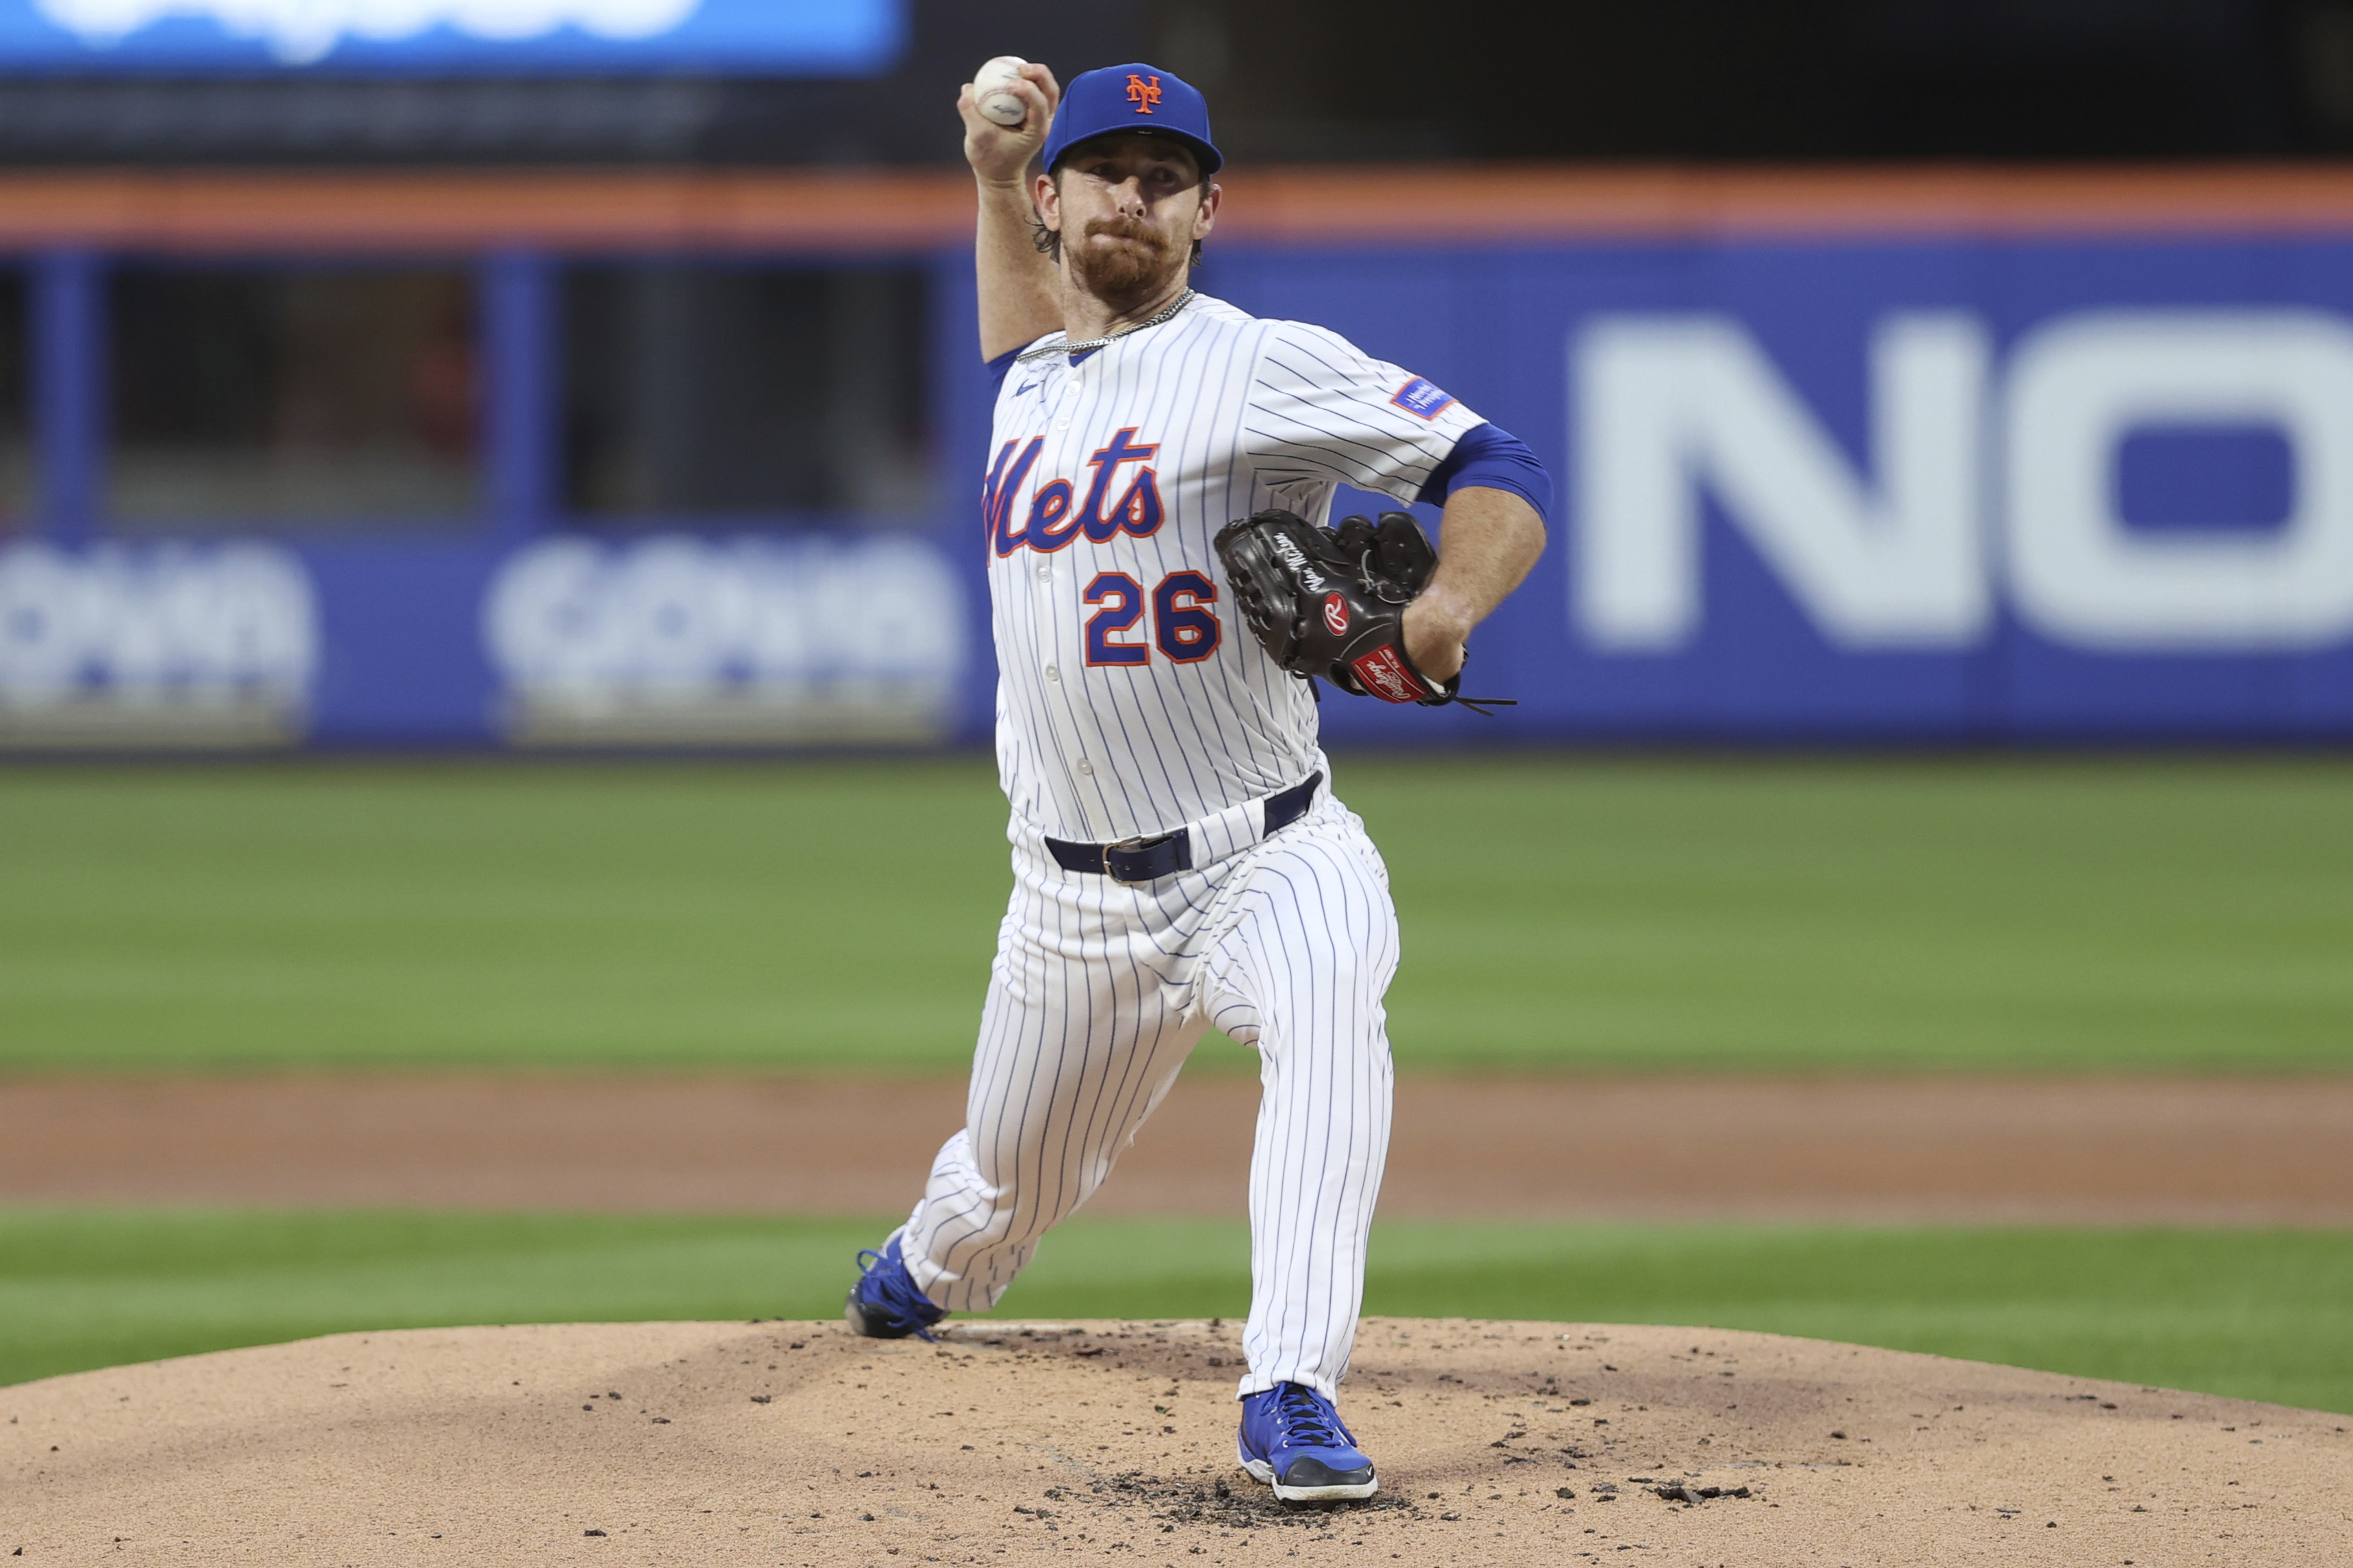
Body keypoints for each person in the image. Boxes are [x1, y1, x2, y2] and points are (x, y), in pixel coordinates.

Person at [844, 60, 1548, 1505]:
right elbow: (1026, 332)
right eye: (1105, 170)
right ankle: (927, 1260)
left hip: (1266, 851)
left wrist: (1446, 604)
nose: (1134, 197)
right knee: (1005, 1191)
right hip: (1068, 902)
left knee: (1331, 1024)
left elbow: (1494, 459)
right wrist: (985, 180)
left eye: (1166, 179)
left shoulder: (1259, 361)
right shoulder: (1031, 377)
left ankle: (1290, 1389)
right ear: (1055, 199)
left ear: (1206, 211)